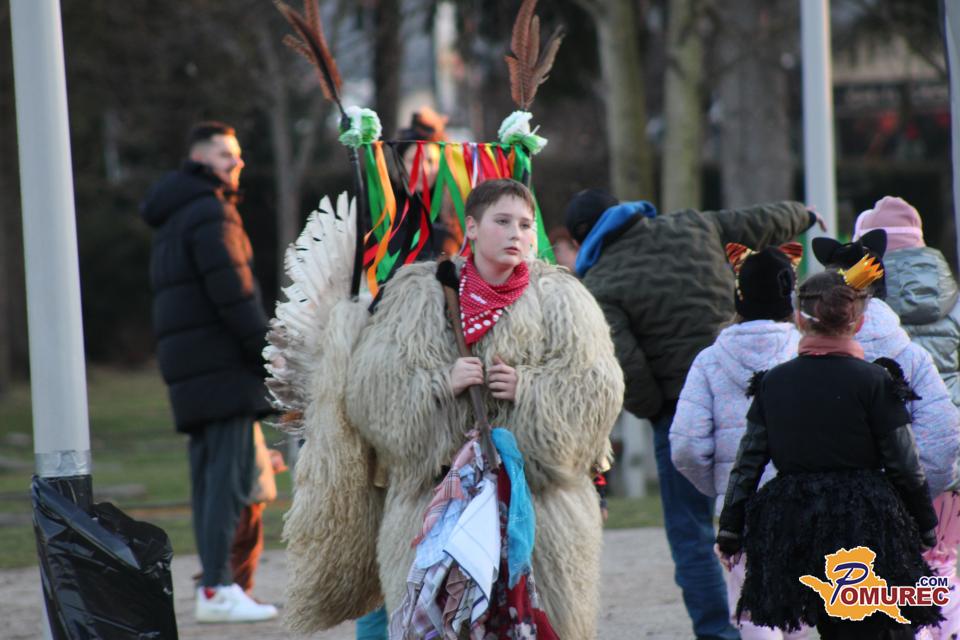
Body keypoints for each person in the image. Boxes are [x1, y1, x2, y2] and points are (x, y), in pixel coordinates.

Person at [282, 178, 624, 638]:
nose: (516, 233)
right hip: (437, 504)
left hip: (538, 511)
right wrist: (439, 384)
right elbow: (371, 392)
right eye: (502, 221)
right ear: (472, 228)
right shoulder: (418, 296)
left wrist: (529, 388)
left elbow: (598, 388)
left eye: (525, 225)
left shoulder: (563, 299)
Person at [566, 187, 820, 640]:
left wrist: (658, 408)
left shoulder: (600, 283)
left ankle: (720, 631)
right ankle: (791, 620)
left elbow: (626, 365)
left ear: (580, 238)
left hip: (683, 408)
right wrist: (803, 214)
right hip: (764, 388)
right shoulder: (694, 224)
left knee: (692, 532)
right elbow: (759, 219)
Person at [717, 263, 940, 639]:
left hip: (795, 521)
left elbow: (748, 462)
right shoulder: (875, 381)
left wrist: (730, 528)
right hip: (865, 518)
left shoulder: (773, 383)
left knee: (832, 624)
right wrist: (924, 523)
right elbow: (904, 463)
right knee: (877, 624)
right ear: (858, 322)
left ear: (799, 320)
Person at [140, 121, 278, 623]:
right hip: (222, 369)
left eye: (237, 154)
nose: (237, 162)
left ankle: (216, 586)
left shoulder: (175, 215)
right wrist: (268, 353)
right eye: (225, 155)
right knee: (228, 482)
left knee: (207, 482)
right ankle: (219, 588)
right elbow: (234, 294)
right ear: (200, 160)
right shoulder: (212, 212)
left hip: (191, 370)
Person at [671, 243, 807, 639]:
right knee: (802, 603)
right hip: (804, 498)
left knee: (753, 603)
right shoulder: (806, 354)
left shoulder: (709, 360)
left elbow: (686, 446)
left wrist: (721, 485)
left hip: (742, 507)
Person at [851, 197, 960, 639]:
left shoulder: (861, 297)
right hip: (950, 454)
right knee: (941, 561)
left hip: (882, 460)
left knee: (883, 574)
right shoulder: (952, 293)